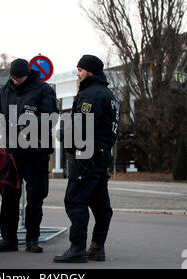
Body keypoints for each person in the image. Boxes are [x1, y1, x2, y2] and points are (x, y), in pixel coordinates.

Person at [0, 58, 58, 253]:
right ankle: (9, 240)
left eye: (20, 78)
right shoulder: (4, 90)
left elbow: (52, 116)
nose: (16, 81)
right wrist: (0, 118)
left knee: (35, 197)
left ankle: (33, 239)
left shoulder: (44, 89)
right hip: (11, 153)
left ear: (28, 74)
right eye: (14, 78)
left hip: (36, 152)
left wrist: (29, 124)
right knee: (9, 197)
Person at [54, 55, 119, 263]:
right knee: (101, 205)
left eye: (80, 69)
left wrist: (63, 136)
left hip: (86, 156)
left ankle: (77, 249)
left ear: (89, 71)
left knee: (75, 201)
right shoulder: (108, 94)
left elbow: (82, 128)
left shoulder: (91, 95)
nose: (77, 73)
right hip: (102, 155)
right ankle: (97, 247)